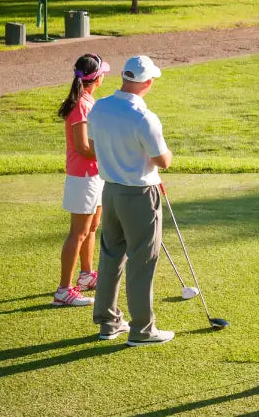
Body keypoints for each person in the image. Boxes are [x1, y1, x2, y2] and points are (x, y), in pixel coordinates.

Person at [88, 55, 175, 346]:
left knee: (111, 255)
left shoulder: (100, 107)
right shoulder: (144, 117)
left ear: (125, 77)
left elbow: (94, 145)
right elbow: (163, 161)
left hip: (110, 191)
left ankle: (108, 323)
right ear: (147, 83)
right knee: (142, 260)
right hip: (139, 195)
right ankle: (142, 330)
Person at [52, 53, 110, 307]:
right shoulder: (81, 105)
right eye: (102, 72)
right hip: (83, 176)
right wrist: (111, 151)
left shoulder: (87, 100)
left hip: (94, 174)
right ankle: (63, 290)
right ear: (96, 78)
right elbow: (83, 148)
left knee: (92, 226)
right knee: (78, 232)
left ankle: (86, 275)